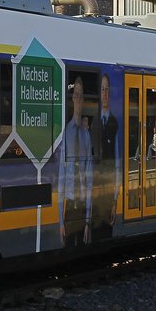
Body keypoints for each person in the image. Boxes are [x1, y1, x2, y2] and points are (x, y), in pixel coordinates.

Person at [57, 76, 93, 246]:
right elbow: (61, 176)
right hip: (70, 208)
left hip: (82, 204)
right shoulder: (66, 132)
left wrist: (87, 221)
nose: (78, 99)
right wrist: (60, 222)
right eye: (76, 95)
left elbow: (89, 177)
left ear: (83, 100)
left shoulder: (86, 135)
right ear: (72, 98)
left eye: (81, 95)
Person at [89, 72, 119, 241]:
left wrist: (114, 200)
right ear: (99, 94)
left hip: (107, 192)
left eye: (107, 89)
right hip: (94, 189)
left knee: (106, 232)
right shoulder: (93, 123)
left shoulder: (114, 122)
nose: (105, 94)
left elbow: (117, 162)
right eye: (102, 90)